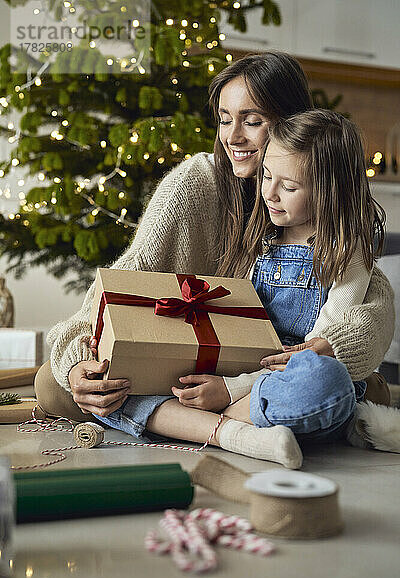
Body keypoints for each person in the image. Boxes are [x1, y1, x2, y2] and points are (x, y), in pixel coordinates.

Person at [35, 54, 393, 452]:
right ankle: (242, 426)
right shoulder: (197, 185)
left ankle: (207, 419)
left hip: (268, 372)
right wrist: (78, 358)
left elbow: (370, 300)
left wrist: (338, 348)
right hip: (198, 366)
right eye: (225, 119)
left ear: (293, 122)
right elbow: (129, 277)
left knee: (326, 381)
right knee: (52, 385)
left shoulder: (322, 192)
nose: (233, 136)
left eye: (252, 121)